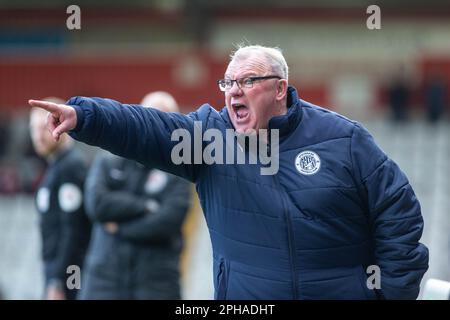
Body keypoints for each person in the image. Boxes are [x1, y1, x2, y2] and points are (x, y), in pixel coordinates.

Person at [29, 45, 429, 300]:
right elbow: (145, 127)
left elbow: (399, 215)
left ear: (280, 89)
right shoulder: (209, 138)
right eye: (228, 82)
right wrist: (85, 116)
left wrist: (390, 294)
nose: (233, 91)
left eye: (248, 81)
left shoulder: (344, 140)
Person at [79, 92, 191, 300]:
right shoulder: (108, 161)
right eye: (149, 118)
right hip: (103, 280)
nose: (156, 126)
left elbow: (167, 221)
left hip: (157, 283)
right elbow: (97, 204)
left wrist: (119, 227)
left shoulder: (182, 171)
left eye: (165, 120)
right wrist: (146, 206)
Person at [29, 97, 91, 300]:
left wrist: (59, 281)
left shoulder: (70, 167)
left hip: (68, 274)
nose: (38, 136)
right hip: (56, 269)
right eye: (33, 129)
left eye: (42, 128)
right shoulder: (55, 167)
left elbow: (73, 229)